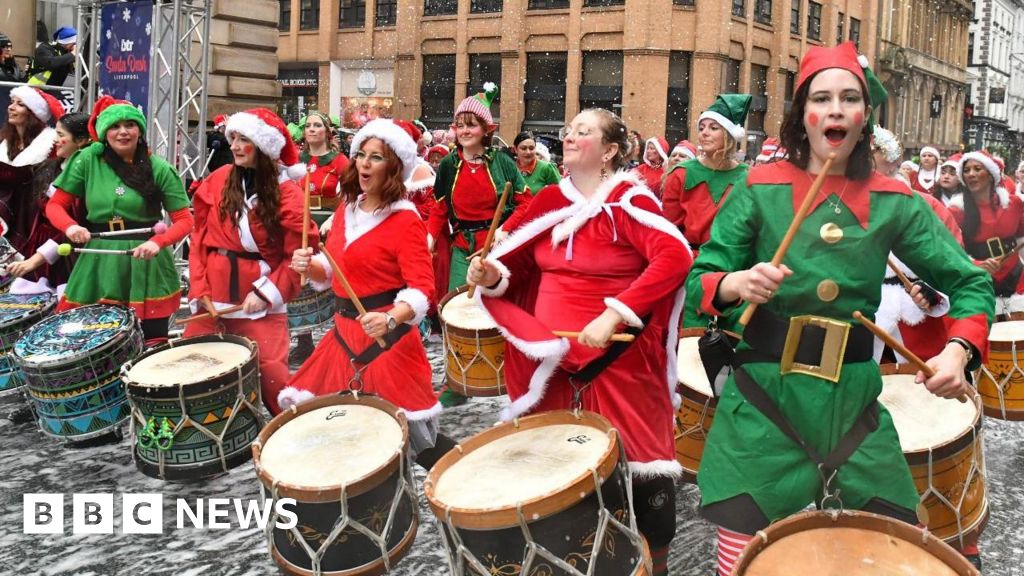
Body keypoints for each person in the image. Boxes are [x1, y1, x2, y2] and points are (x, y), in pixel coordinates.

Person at [685, 42, 992, 576]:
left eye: (848, 98)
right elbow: (699, 280)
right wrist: (736, 282)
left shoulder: (895, 199)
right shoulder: (759, 189)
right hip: (763, 395)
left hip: (853, 400)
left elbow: (969, 283)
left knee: (888, 540)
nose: (834, 109)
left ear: (863, 116)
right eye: (821, 98)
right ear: (802, 115)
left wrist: (958, 351)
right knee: (740, 550)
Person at [467, 108, 691, 576]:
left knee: (643, 480)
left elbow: (673, 256)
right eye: (568, 130)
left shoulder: (628, 202)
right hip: (550, 366)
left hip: (620, 364)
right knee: (556, 478)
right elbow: (520, 269)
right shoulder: (549, 199)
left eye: (583, 131)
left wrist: (615, 313)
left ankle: (656, 567)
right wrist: (492, 276)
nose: (569, 136)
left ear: (610, 151)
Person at [279, 118, 456, 470]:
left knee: (410, 441)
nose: (363, 162)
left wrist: (391, 317)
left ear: (393, 167)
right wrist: (308, 266)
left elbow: (423, 288)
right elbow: (335, 272)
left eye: (376, 157)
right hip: (343, 338)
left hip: (387, 343)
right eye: (361, 154)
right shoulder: (347, 210)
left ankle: (470, 487)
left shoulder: (405, 220)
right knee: (340, 436)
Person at [186, 108, 315, 415]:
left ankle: (291, 440)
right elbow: (199, 242)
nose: (234, 146)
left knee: (273, 378)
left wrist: (266, 293)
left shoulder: (288, 195)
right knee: (192, 369)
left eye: (244, 139)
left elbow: (295, 259)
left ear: (263, 147)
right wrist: (199, 290)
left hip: (258, 298)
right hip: (212, 297)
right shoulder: (217, 180)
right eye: (233, 137)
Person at [45, 96, 193, 344]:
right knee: (88, 340)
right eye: (114, 126)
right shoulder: (87, 160)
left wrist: (158, 243)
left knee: (148, 342)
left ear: (140, 130)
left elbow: (184, 220)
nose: (123, 132)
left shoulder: (160, 168)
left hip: (146, 260)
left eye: (130, 125)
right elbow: (55, 205)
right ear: (104, 132)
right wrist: (70, 226)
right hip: (98, 260)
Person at [426, 82, 530, 406]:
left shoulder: (503, 163)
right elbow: (439, 207)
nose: (465, 130)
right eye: (460, 124)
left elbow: (527, 203)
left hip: (498, 249)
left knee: (505, 312)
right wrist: (430, 235)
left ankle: (513, 378)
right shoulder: (447, 165)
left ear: (486, 129)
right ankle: (457, 385)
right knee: (457, 312)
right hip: (462, 246)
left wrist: (505, 230)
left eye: (472, 124)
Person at [6, 111, 90, 287]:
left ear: (81, 141)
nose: (55, 140)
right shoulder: (47, 169)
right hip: (38, 251)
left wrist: (35, 260)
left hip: (67, 258)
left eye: (60, 135)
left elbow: (73, 227)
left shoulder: (89, 177)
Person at [950, 149, 1024, 319]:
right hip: (978, 279)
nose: (971, 174)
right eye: (966, 170)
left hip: (1017, 278)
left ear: (991, 174)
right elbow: (950, 249)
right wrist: (975, 264)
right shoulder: (956, 210)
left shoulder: (1014, 204)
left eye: (977, 169)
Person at [1, 86, 63, 257]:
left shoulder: (50, 146)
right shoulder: (4, 141)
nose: (11, 107)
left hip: (31, 216)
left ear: (34, 114)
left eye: (20, 104)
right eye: (12, 102)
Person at [513, 131, 560, 195]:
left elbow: (560, 194)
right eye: (523, 148)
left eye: (531, 148)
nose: (528, 152)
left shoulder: (547, 168)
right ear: (515, 149)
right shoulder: (510, 169)